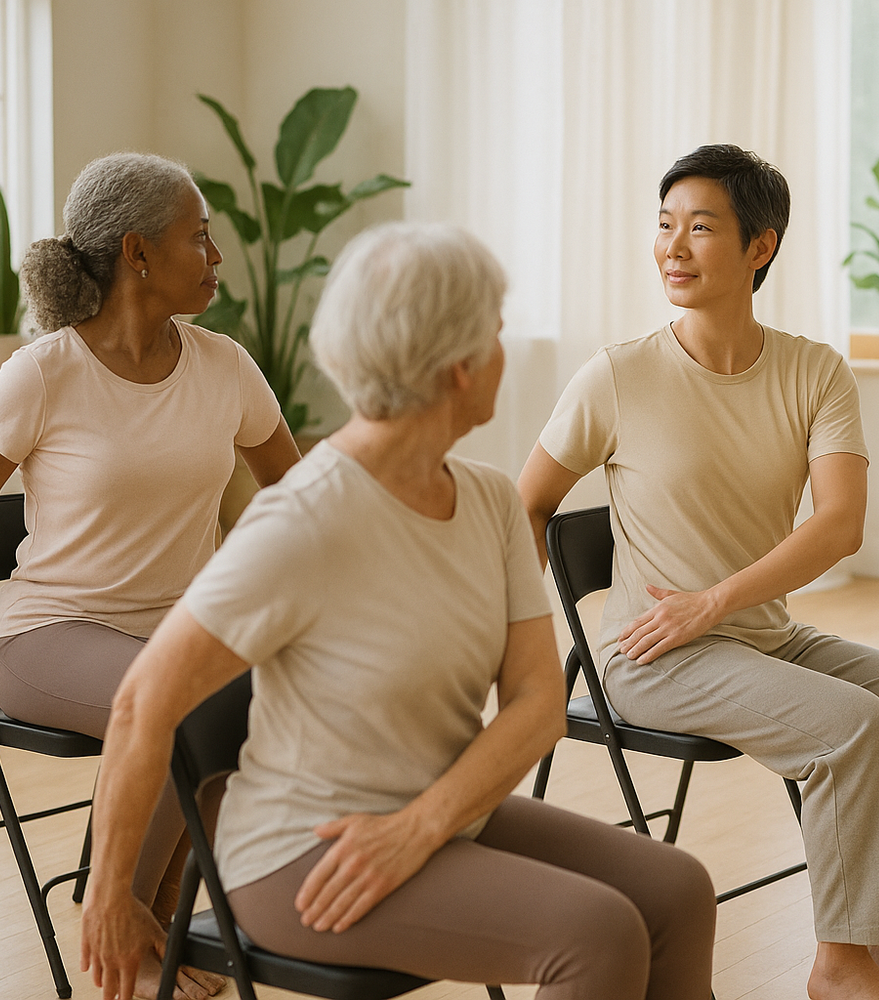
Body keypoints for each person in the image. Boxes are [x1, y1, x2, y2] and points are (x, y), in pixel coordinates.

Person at [79, 222, 718, 1000]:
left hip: (435, 815)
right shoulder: (303, 520)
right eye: (496, 334)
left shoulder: (486, 499)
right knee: (596, 935)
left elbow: (537, 705)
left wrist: (421, 826)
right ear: (457, 367)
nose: (504, 353)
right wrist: (110, 896)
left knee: (678, 892)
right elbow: (145, 701)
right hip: (302, 856)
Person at [520, 144, 879, 1000]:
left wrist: (716, 603)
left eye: (700, 227)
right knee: (852, 726)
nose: (673, 247)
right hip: (651, 657)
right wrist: (535, 644)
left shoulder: (814, 371)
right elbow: (527, 508)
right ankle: (839, 968)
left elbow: (841, 525)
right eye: (664, 227)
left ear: (760, 246)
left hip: (759, 636)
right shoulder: (618, 375)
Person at [0, 152, 299, 998]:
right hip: (45, 636)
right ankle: (120, 915)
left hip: (173, 639)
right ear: (137, 253)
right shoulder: (43, 372)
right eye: (200, 238)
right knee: (183, 700)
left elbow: (296, 498)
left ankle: (159, 913)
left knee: (259, 694)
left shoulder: (224, 365)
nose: (217, 256)